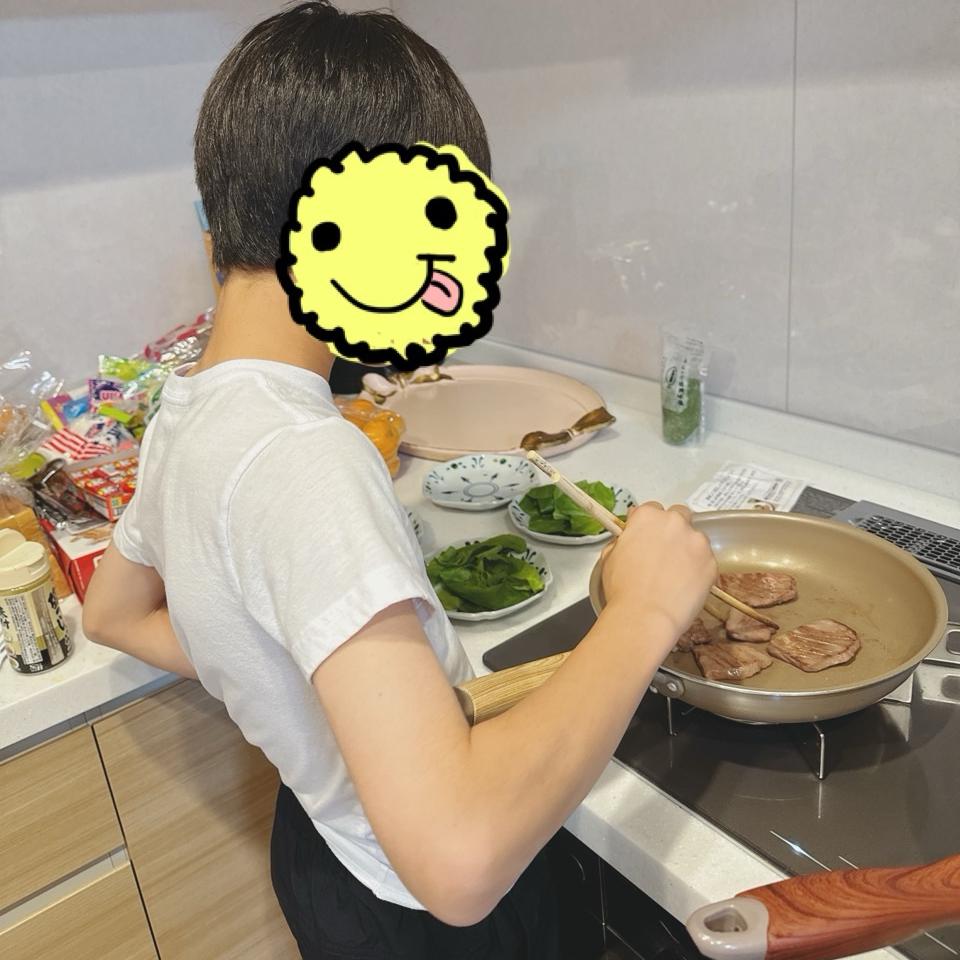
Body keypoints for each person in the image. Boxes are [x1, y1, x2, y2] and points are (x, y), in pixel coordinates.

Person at [82, 4, 717, 958]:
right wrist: (646, 610)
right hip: (414, 911)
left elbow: (114, 613)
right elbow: (459, 861)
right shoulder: (307, 458)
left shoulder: (189, 410)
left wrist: (293, 685)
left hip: (320, 853)